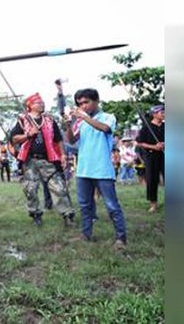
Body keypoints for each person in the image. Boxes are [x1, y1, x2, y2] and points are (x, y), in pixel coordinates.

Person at [63, 88, 127, 250]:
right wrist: (69, 124)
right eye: (80, 103)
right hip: (83, 169)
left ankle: (121, 238)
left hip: (102, 169)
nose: (83, 106)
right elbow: (70, 140)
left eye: (86, 102)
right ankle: (86, 234)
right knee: (85, 205)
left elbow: (105, 129)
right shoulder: (80, 122)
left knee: (112, 205)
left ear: (96, 101)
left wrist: (83, 117)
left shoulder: (107, 117)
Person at [10, 93, 75, 227]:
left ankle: (67, 215)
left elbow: (58, 139)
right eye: (38, 102)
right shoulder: (23, 120)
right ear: (30, 106)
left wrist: (62, 155)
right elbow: (14, 138)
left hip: (48, 159)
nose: (42, 104)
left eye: (42, 102)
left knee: (59, 188)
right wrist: (28, 135)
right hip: (30, 161)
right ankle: (35, 215)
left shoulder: (50, 120)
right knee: (30, 189)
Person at [136, 104, 165, 212]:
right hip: (151, 156)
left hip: (165, 155)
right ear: (154, 114)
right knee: (152, 179)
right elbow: (139, 143)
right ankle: (153, 203)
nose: (164, 114)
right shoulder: (146, 128)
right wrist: (154, 146)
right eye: (162, 112)